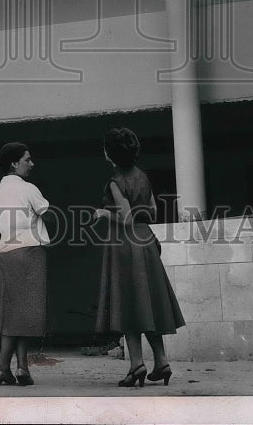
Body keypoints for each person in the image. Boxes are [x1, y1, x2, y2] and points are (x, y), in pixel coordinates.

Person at [93, 127, 185, 388]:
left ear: (110, 155)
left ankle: (136, 365)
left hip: (125, 244)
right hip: (146, 240)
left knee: (128, 305)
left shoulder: (115, 182)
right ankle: (162, 362)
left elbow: (126, 218)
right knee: (149, 303)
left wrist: (103, 213)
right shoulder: (143, 177)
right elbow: (152, 211)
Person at [0, 142, 50, 386]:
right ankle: (6, 367)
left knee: (12, 313)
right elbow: (46, 210)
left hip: (6, 252)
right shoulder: (29, 189)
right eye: (27, 159)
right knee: (21, 314)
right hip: (29, 251)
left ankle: (21, 367)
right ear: (14, 163)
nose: (31, 164)